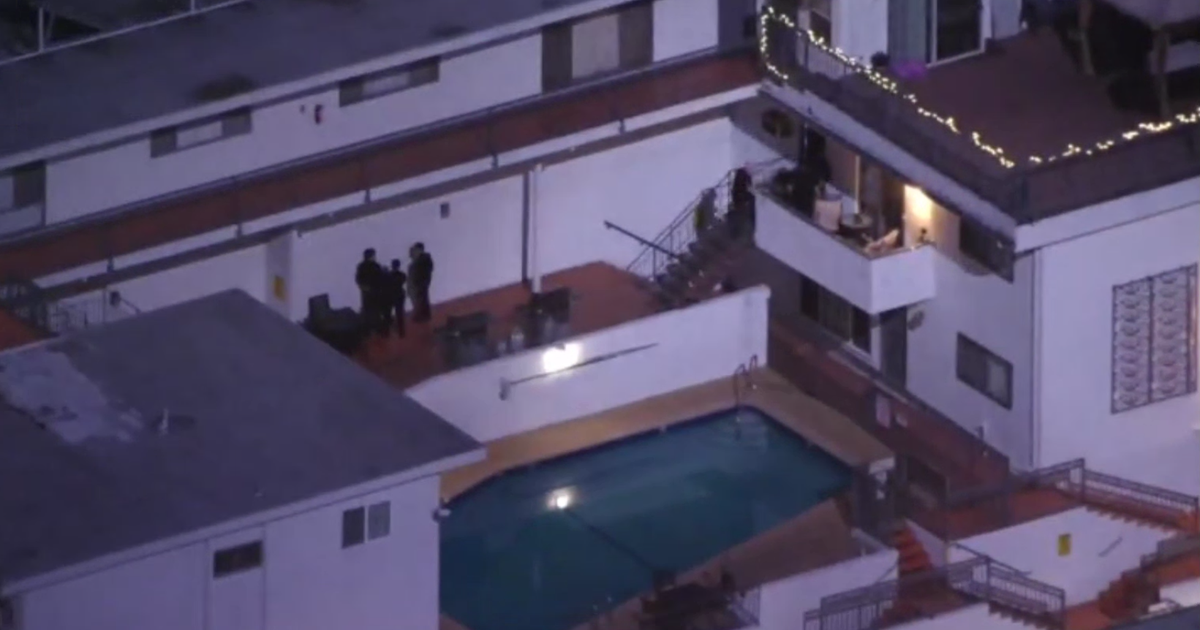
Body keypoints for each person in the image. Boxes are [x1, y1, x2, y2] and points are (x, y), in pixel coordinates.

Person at [355, 248, 385, 332]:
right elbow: (381, 277)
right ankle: (376, 327)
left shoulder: (361, 266)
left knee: (370, 310)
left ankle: (370, 328)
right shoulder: (375, 266)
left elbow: (358, 279)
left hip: (368, 292)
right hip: (373, 291)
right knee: (375, 310)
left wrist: (363, 287)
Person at [408, 242, 434, 323]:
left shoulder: (424, 258)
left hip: (422, 281)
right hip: (419, 282)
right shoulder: (419, 260)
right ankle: (421, 315)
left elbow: (427, 269)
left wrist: (424, 278)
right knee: (420, 298)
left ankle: (423, 315)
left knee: (422, 298)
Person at [384, 259, 408, 337]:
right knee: (399, 313)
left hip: (391, 295)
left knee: (388, 313)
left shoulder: (388, 275)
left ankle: (387, 331)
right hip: (399, 295)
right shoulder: (402, 275)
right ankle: (401, 331)